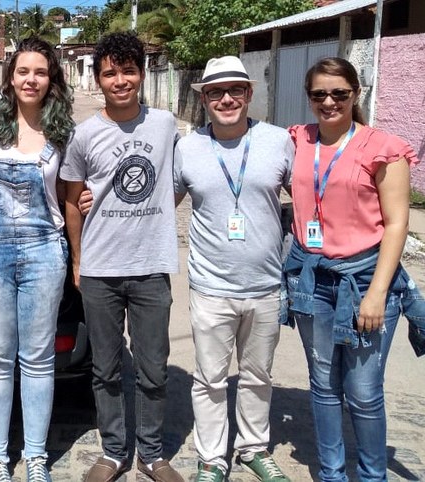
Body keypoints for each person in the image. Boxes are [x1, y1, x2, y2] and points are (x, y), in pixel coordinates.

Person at [283, 57, 419, 481]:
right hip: (312, 279)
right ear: (309, 98)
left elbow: (397, 223)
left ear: (355, 94)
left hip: (364, 281)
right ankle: (331, 474)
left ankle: (372, 475)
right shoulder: (299, 139)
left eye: (339, 93)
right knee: (323, 387)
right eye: (319, 94)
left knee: (362, 393)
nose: (329, 102)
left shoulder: (384, 147)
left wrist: (378, 292)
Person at [60, 32, 183, 482]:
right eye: (110, 72)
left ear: (142, 74)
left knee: (153, 368)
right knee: (106, 369)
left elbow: (180, 180)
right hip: (100, 271)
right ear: (98, 79)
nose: (120, 80)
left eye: (128, 70)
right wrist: (77, 260)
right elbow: (72, 200)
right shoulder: (84, 134)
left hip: (151, 268)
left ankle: (152, 454)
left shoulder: (167, 125)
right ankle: (113, 451)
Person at [175, 56, 293, 482]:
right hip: (210, 284)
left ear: (249, 94)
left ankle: (252, 448)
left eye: (235, 90)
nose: (226, 99)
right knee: (209, 379)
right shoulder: (186, 147)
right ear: (203, 98)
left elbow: (310, 197)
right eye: (215, 92)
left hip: (265, 283)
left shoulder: (279, 141)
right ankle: (211, 458)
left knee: (258, 376)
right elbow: (158, 205)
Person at [0, 37, 75, 482]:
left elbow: (68, 191)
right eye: (23, 71)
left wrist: (83, 201)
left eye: (41, 72)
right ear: (10, 77)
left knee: (37, 359)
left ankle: (35, 456)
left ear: (52, 79)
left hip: (44, 251)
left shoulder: (63, 127)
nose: (31, 79)